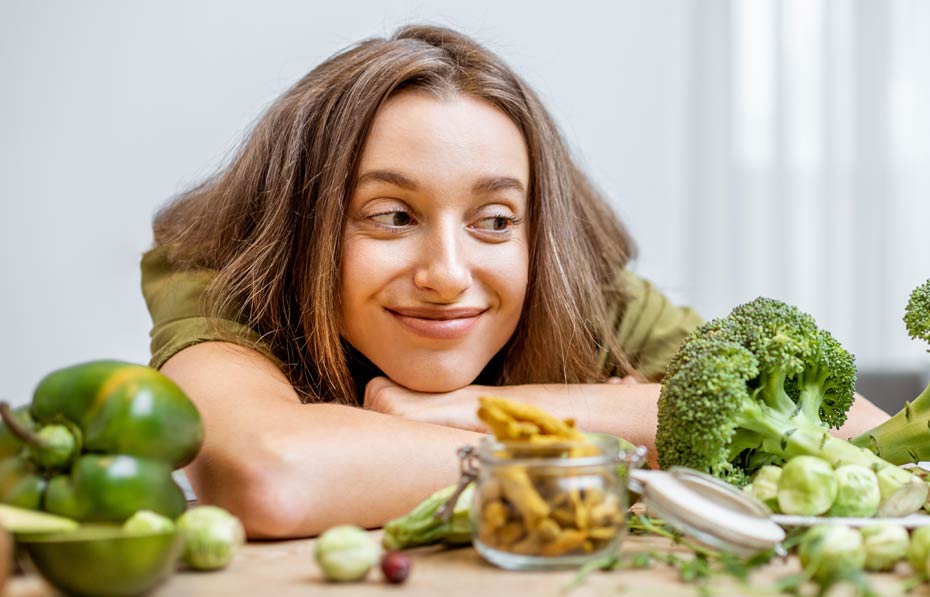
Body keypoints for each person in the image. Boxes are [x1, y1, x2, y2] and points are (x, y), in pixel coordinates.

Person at [142, 24, 888, 539]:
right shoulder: (221, 273)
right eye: (392, 215)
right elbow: (271, 473)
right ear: (305, 223)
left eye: (495, 221)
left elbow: (860, 436)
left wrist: (483, 409)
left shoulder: (582, 293)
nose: (447, 275)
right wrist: (615, 436)